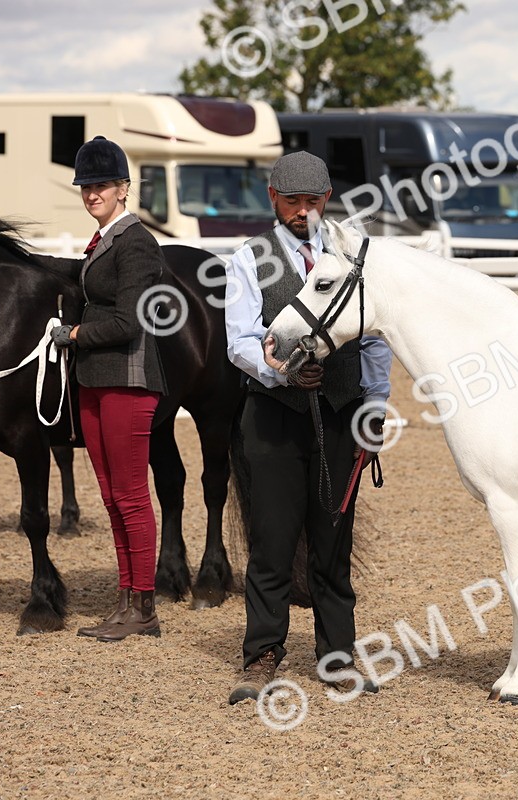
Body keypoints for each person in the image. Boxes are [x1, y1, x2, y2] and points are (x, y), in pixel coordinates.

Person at [224, 151, 392, 704]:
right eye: (293, 201)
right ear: (273, 198)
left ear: (326, 199)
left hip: (341, 414)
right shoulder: (249, 258)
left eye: (313, 201)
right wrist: (279, 373)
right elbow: (241, 340)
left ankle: (336, 657)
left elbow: (371, 334)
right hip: (273, 416)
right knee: (271, 542)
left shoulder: (349, 251)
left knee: (332, 542)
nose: (304, 211)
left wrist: (374, 404)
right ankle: (262, 654)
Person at [51, 135, 167, 641]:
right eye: (85, 186)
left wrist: (73, 334)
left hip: (128, 377)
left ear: (124, 188)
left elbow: (128, 321)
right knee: (111, 496)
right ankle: (125, 600)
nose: (91, 193)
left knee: (132, 496)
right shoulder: (102, 241)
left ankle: (144, 607)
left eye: (100, 185)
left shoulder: (137, 241)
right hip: (95, 379)